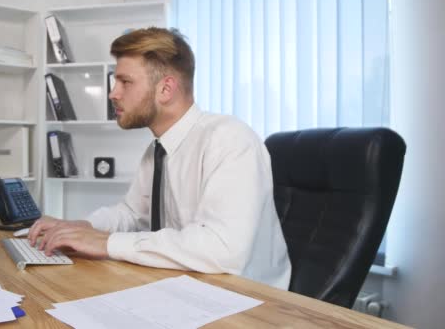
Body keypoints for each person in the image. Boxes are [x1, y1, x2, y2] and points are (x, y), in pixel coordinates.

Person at [29, 27, 291, 289]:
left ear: (165, 89)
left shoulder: (230, 139)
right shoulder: (158, 150)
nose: (113, 93)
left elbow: (222, 249)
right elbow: (132, 214)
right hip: (190, 286)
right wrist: (81, 227)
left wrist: (106, 243)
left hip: (250, 300)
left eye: (125, 82)